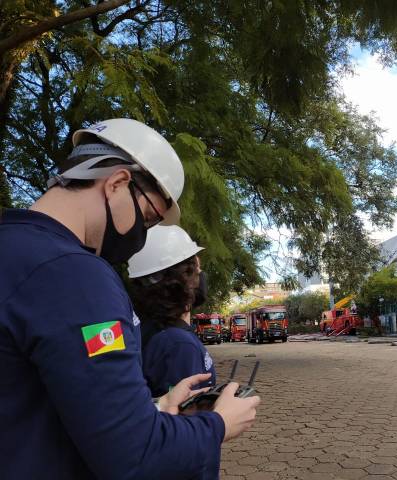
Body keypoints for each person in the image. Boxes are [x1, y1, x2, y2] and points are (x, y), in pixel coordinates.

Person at [0, 118, 260, 479]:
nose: (141, 237)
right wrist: (218, 424)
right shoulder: (73, 274)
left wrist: (151, 408)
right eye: (148, 219)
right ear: (118, 183)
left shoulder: (14, 250)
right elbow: (135, 457)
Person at [127, 224, 216, 397]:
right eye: (197, 270)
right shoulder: (179, 345)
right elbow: (187, 419)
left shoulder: (151, 330)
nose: (201, 276)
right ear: (184, 281)